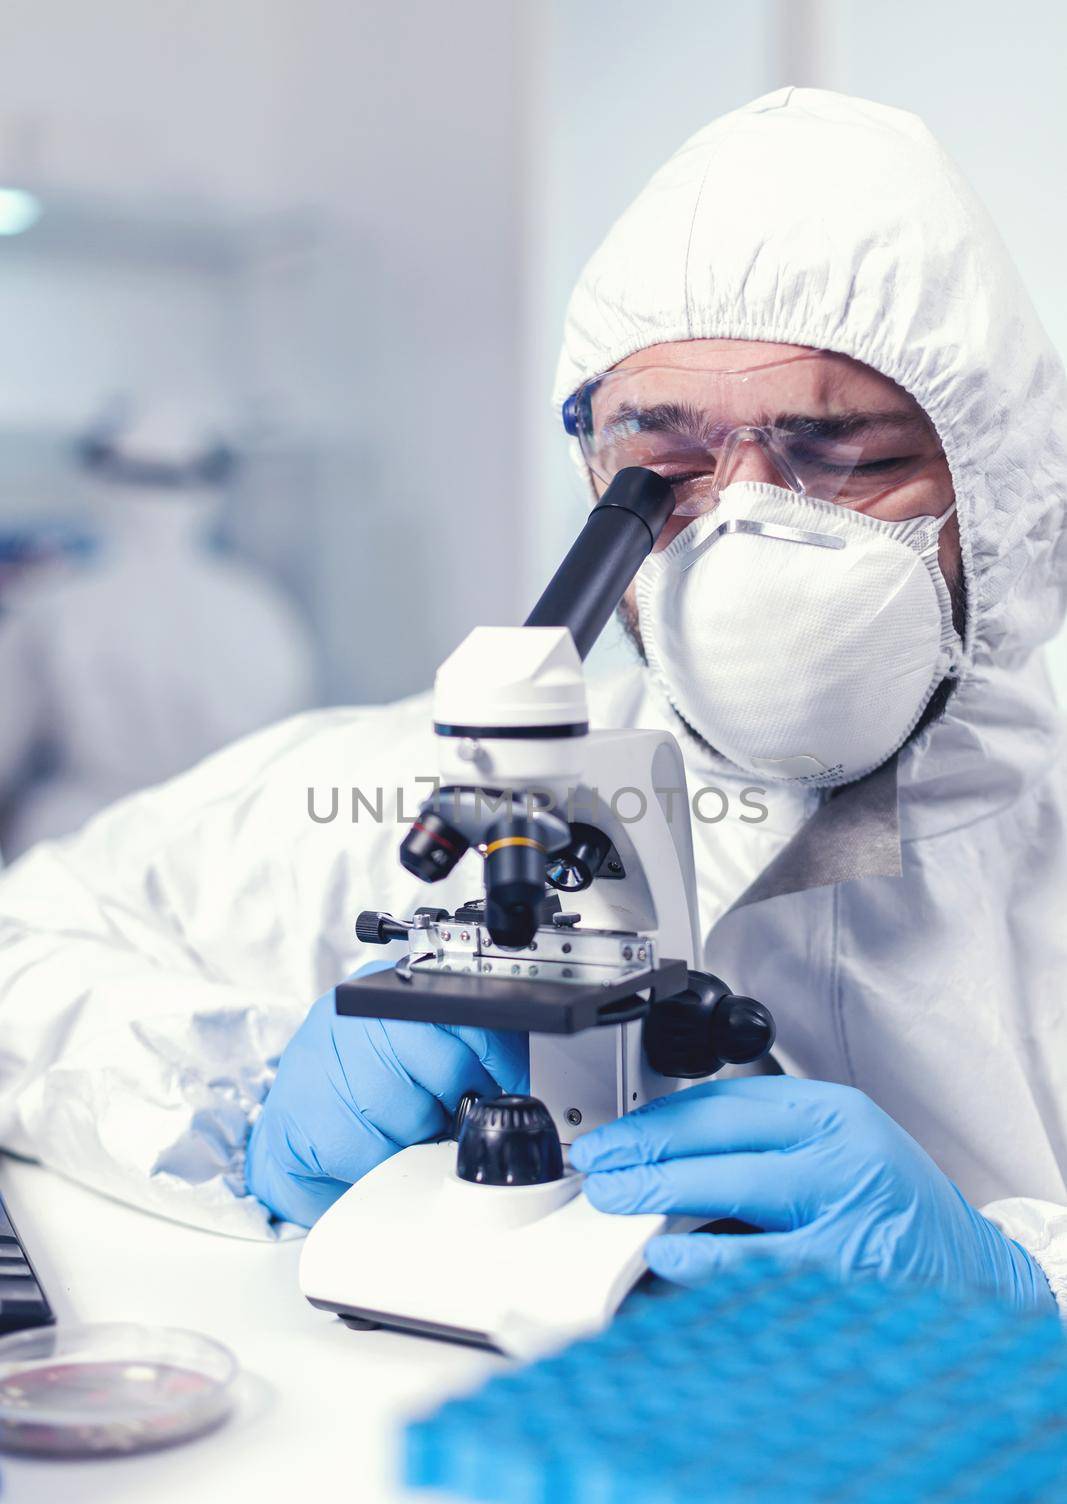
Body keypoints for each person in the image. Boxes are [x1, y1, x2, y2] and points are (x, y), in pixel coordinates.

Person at [0, 89, 1064, 1312]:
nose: (742, 531)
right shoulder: (430, 780)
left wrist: (1020, 1293)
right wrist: (227, 1093)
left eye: (844, 457)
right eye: (659, 466)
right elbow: (23, 949)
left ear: (1002, 491)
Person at [0, 404, 315, 859]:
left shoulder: (55, 607)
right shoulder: (263, 610)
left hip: (81, 846)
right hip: (214, 850)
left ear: (98, 479)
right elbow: (292, 758)